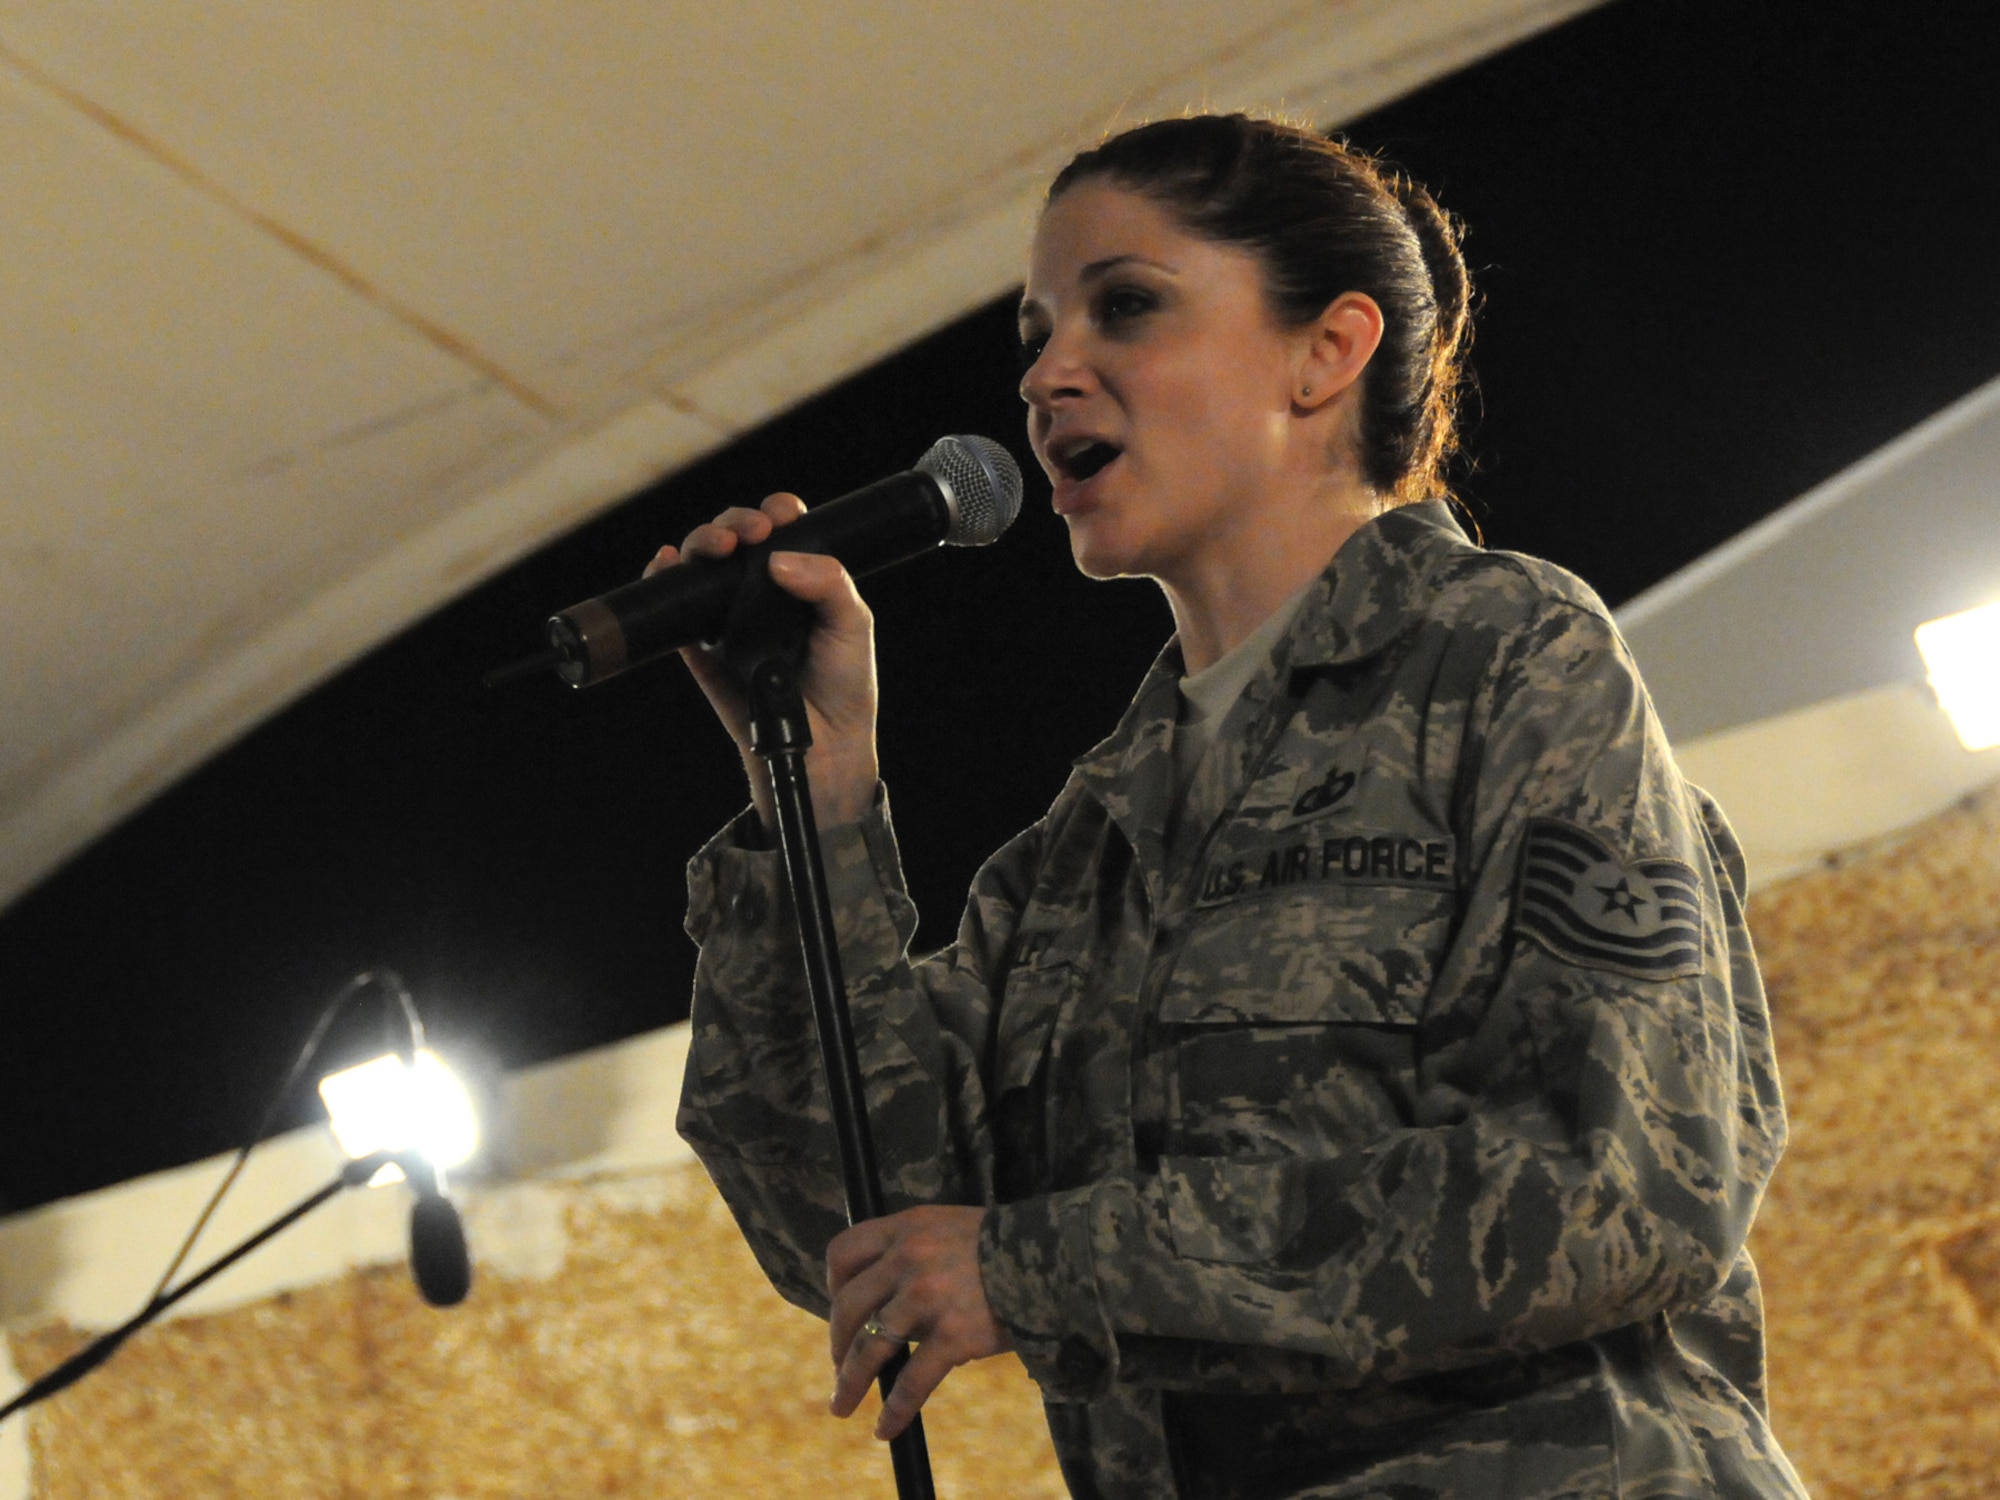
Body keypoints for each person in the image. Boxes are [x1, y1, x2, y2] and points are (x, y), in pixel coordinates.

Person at [665, 114, 1807, 1499]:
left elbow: (1623, 1189)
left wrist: (1034, 1269)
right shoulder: (1085, 848)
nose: (1046, 373)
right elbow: (860, 1231)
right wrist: (820, 800)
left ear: (1327, 351)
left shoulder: (1506, 656)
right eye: (1034, 331)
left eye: (1125, 306)